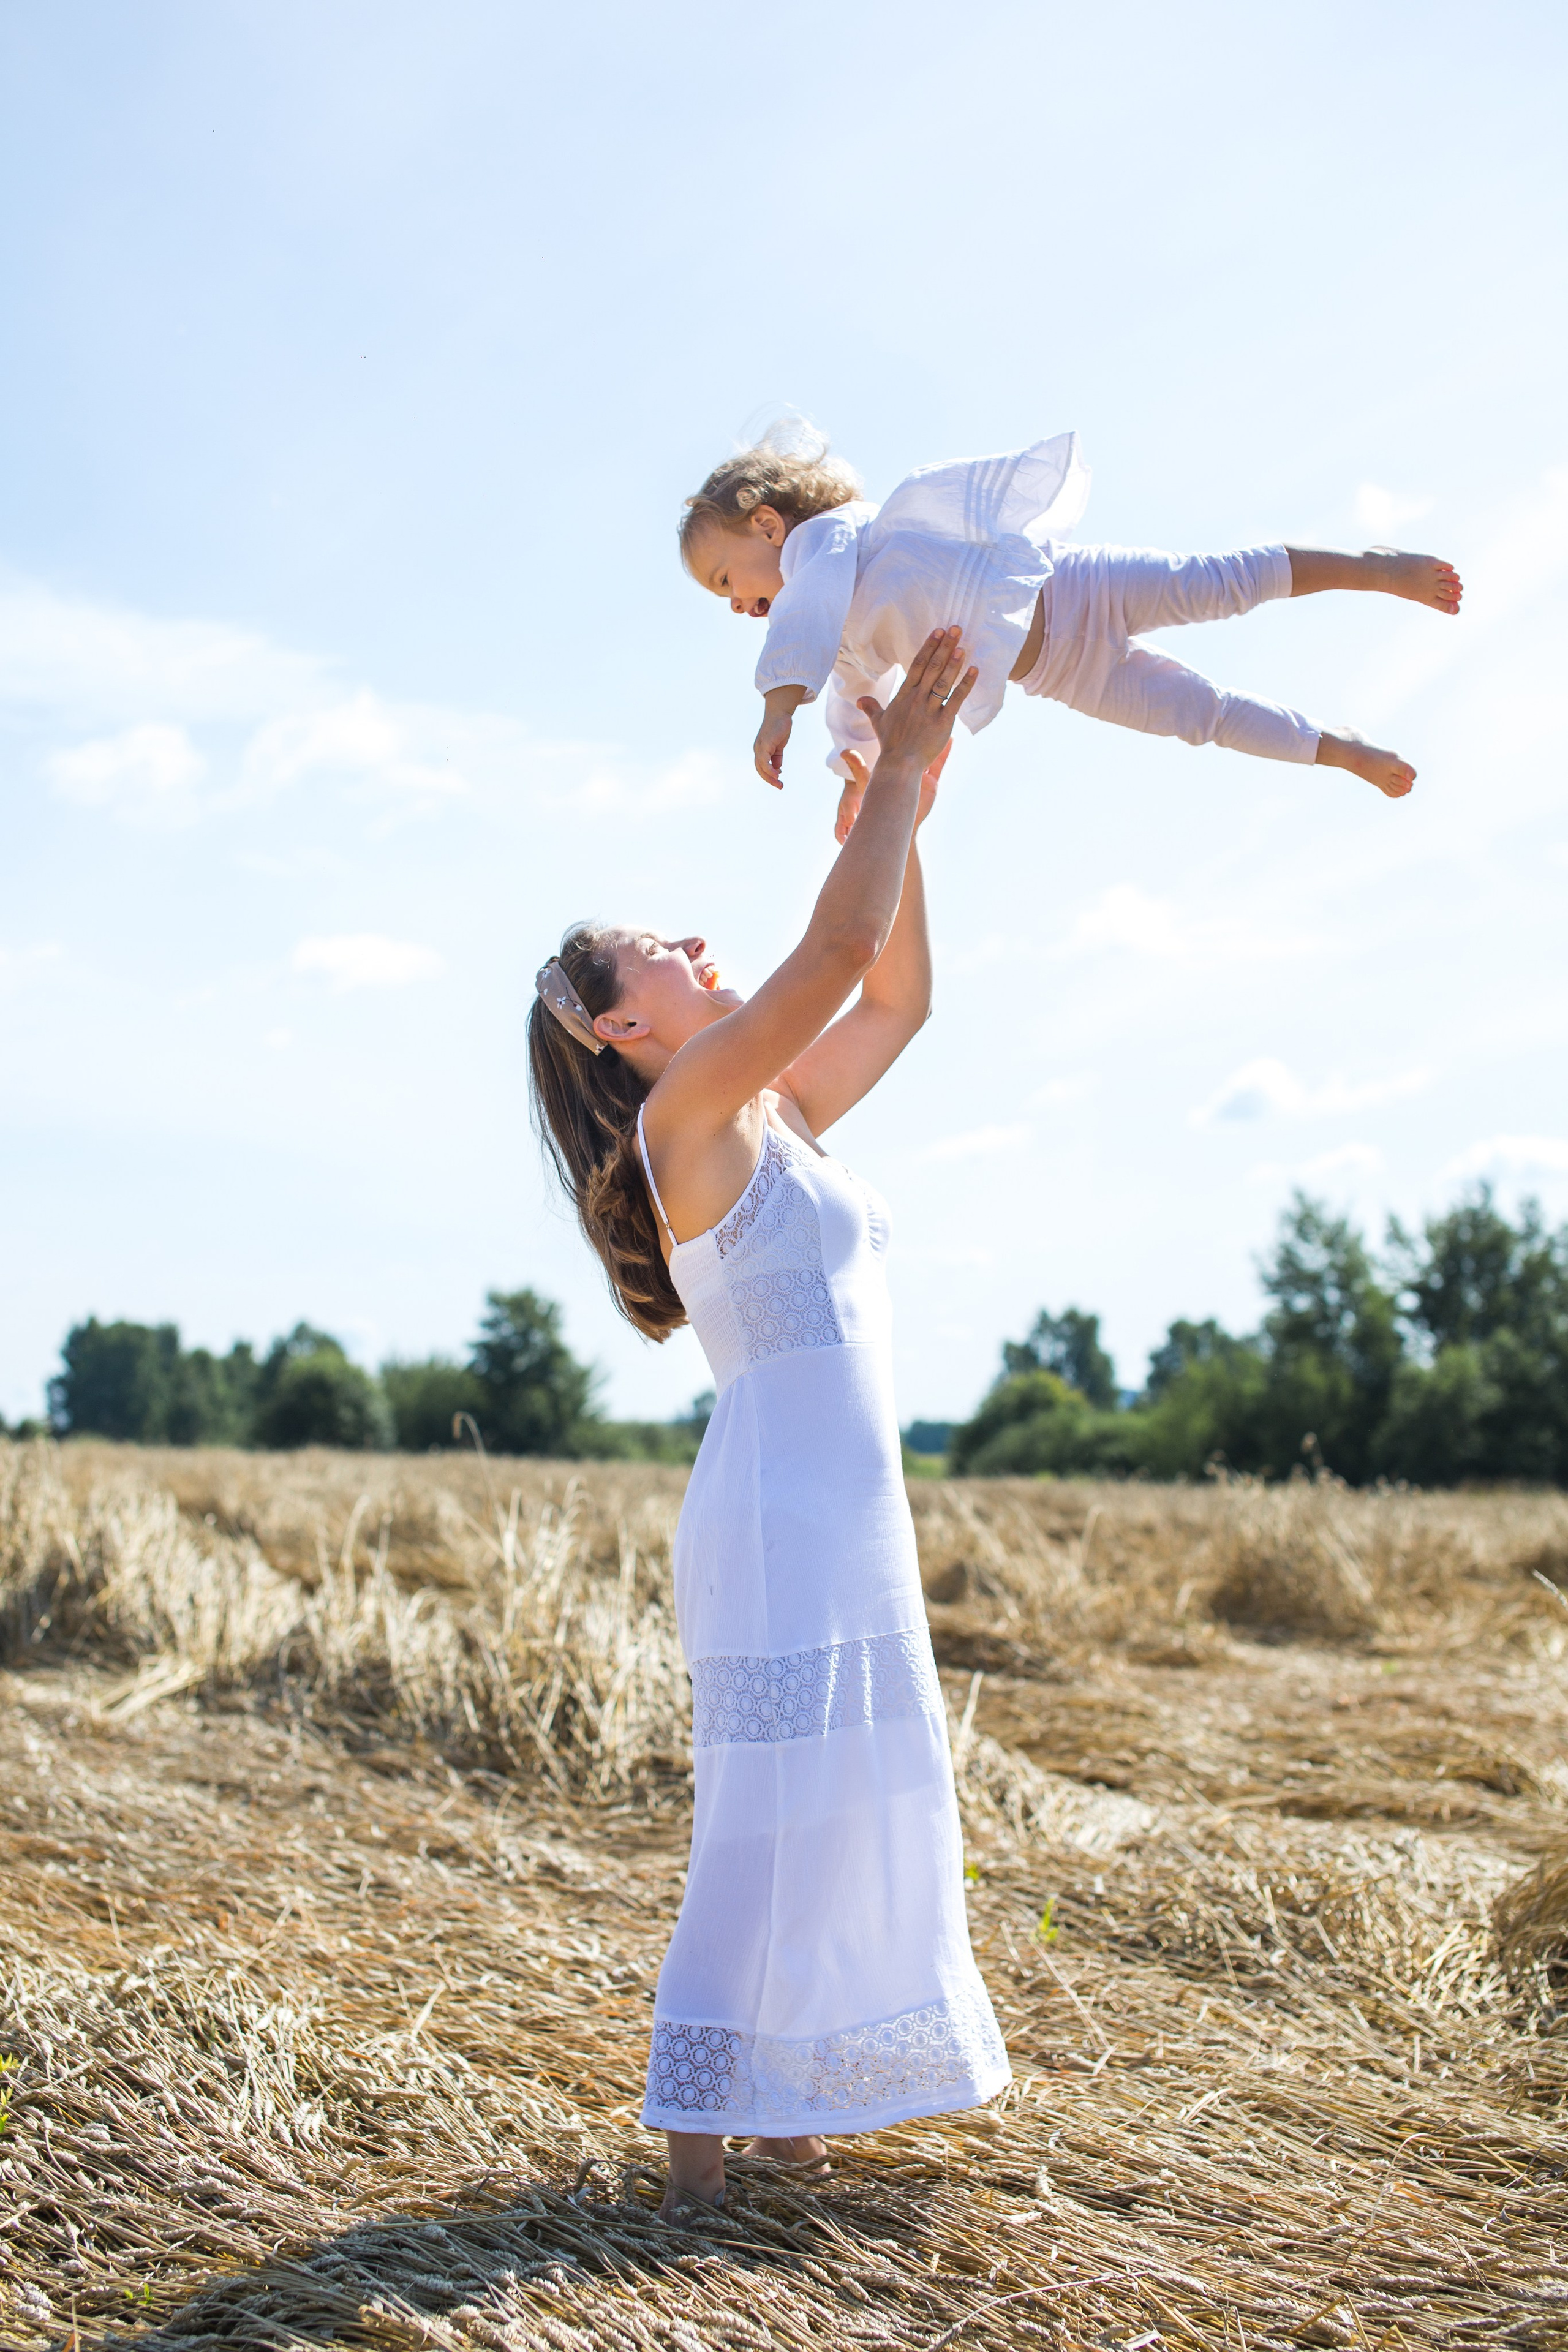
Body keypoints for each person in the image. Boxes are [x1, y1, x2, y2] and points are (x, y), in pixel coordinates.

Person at [527, 629, 1011, 2223]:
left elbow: (901, 991)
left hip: (844, 1515)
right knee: (767, 1816)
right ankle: (695, 2155)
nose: (690, 942)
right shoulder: (686, 1120)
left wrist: (898, 802)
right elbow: (831, 953)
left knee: (846, 1799)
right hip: (776, 1515)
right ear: (618, 1029)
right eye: (655, 949)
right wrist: (907, 771)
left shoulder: (778, 1108)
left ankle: (787, 2112)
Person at [678, 424, 1464, 838]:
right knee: (1201, 717)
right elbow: (858, 707)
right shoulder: (833, 642)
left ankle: (1373, 568)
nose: (734, 604)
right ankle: (1335, 746)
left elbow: (806, 610)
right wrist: (862, 780)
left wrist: (777, 703)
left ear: (769, 524)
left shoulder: (826, 543)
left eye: (725, 579)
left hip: (1072, 584)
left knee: (1217, 583)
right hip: (1059, 673)